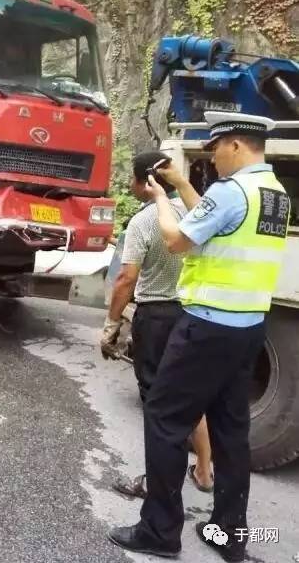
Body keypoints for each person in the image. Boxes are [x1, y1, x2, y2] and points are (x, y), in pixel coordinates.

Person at [108, 112, 290, 562]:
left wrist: (162, 196)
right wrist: (185, 185)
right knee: (232, 432)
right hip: (247, 327)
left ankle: (159, 531)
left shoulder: (232, 193)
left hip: (207, 327)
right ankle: (229, 535)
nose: (214, 159)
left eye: (215, 150)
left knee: (166, 420)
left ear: (232, 145)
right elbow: (216, 225)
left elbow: (175, 239)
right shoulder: (274, 193)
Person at [101, 151, 213, 499]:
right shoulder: (199, 213)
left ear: (145, 182)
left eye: (134, 180)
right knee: (189, 396)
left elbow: (125, 279)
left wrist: (111, 325)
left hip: (158, 319)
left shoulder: (144, 221)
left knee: (158, 406)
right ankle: (205, 471)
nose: (132, 187)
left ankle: (158, 482)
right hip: (194, 314)